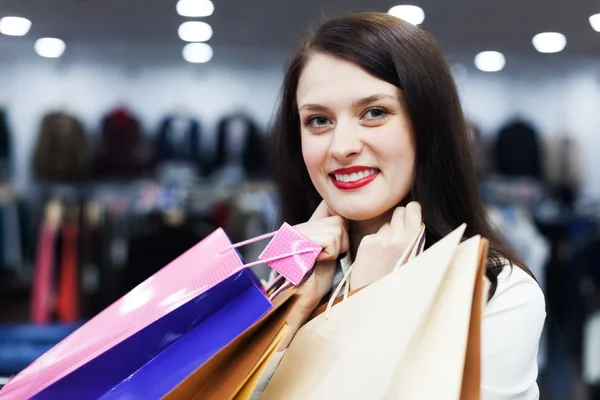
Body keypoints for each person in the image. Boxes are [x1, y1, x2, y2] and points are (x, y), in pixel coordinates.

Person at [252, 12, 546, 399]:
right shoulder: (285, 264)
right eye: (318, 120)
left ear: (428, 125)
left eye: (374, 113)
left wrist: (368, 304)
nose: (341, 146)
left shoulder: (498, 292)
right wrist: (290, 312)